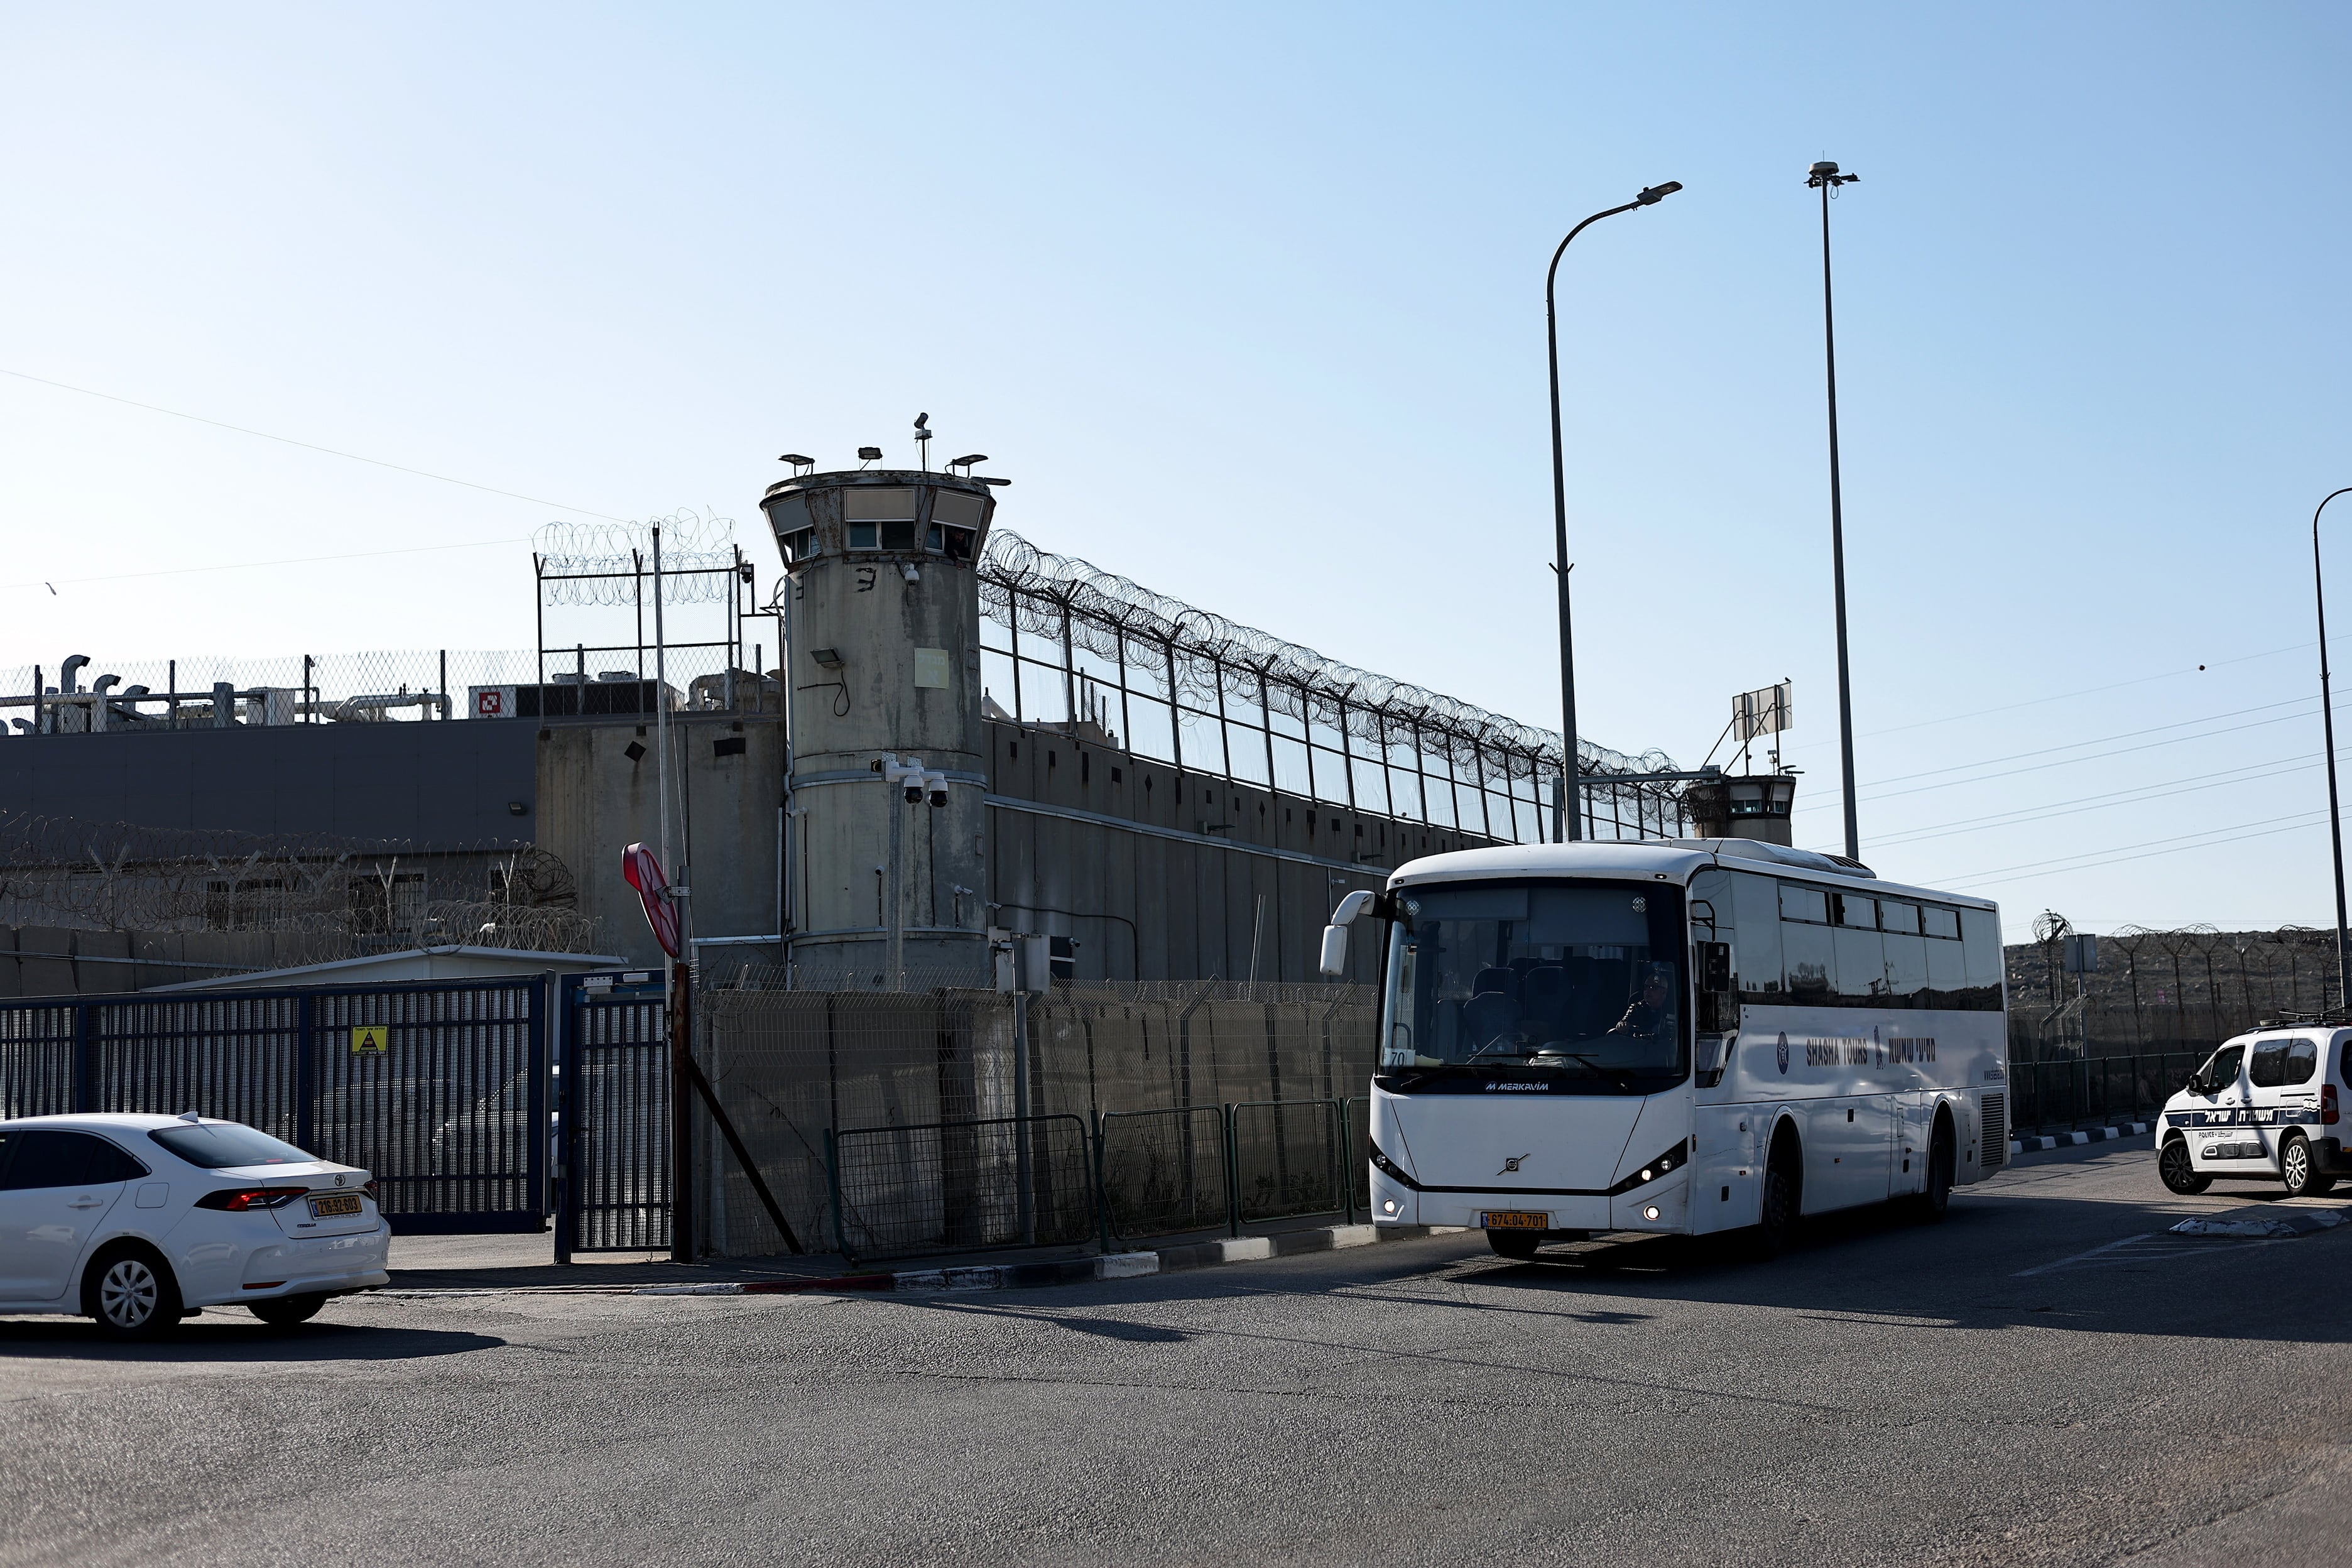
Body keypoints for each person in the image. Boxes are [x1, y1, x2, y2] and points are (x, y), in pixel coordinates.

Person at [1608, 964, 1677, 1040]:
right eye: (1646, 987)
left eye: (1653, 988)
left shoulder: (1673, 1011)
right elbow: (1625, 1021)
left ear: (1664, 992)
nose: (1647, 991)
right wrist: (1622, 1025)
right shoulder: (1637, 1008)